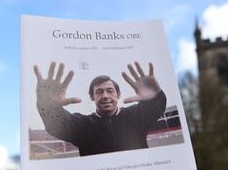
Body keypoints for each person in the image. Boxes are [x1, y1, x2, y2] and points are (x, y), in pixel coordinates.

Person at [34, 61, 166, 156]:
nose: (105, 96)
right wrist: (48, 104)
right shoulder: (82, 125)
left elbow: (154, 108)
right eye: (99, 92)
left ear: (118, 94)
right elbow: (56, 124)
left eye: (110, 90)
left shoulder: (135, 116)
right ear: (92, 97)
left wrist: (155, 97)